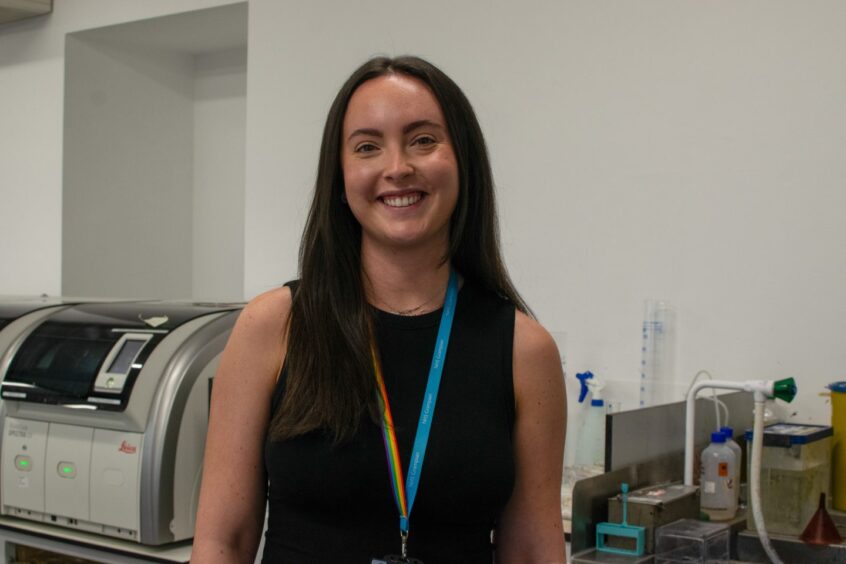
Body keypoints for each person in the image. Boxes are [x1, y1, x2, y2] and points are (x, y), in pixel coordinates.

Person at [191, 55, 566, 564]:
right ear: (341, 177)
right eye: (368, 147)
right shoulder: (275, 325)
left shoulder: (524, 350)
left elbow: (531, 552)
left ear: (464, 161)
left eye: (423, 140)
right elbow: (223, 542)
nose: (397, 168)